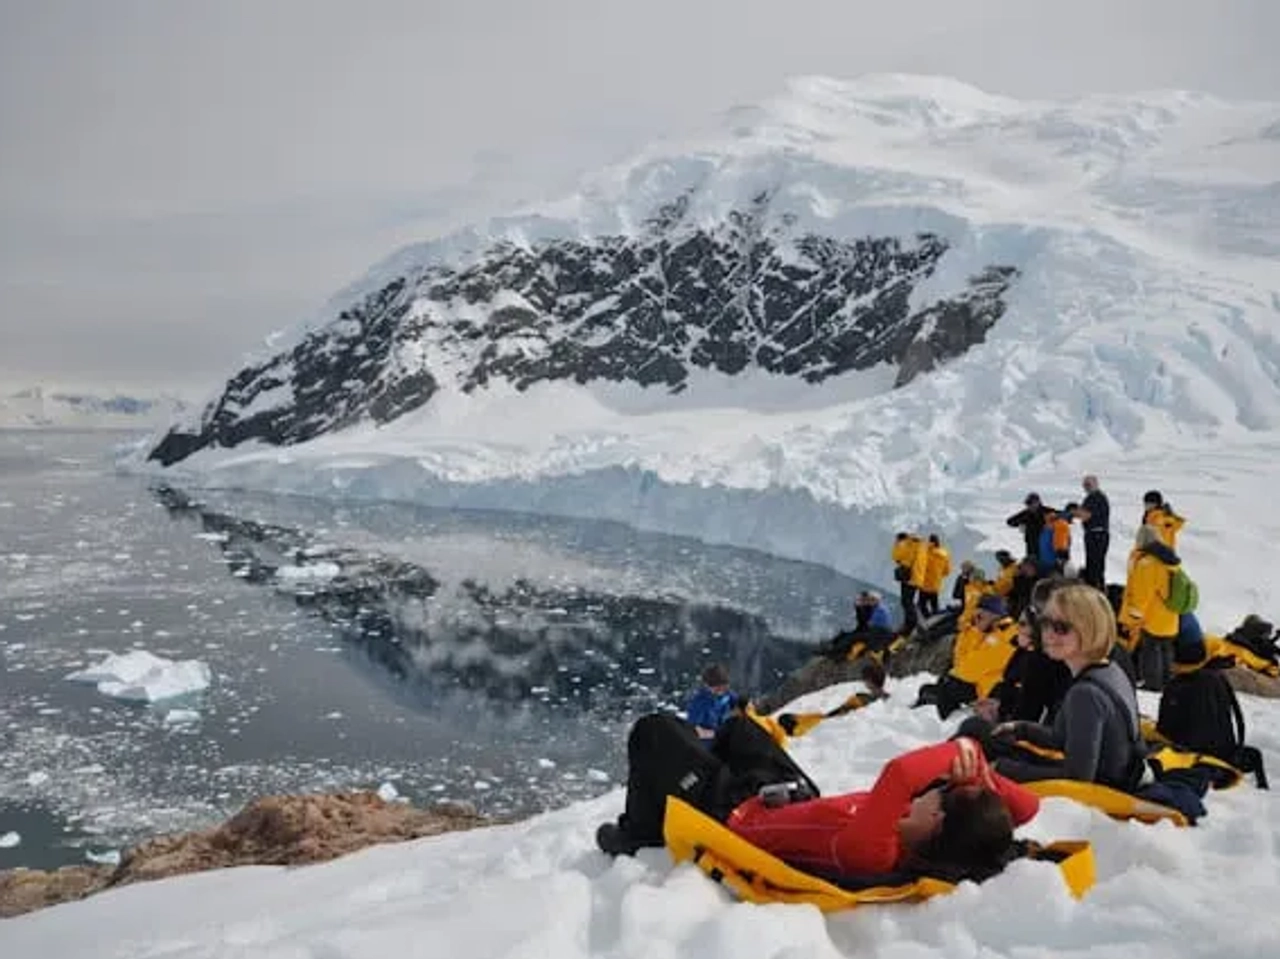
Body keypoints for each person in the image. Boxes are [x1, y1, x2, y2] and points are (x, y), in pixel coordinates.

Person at [597, 712, 1038, 884]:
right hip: (787, 794)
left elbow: (900, 773)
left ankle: (639, 831)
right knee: (740, 728)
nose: (936, 789)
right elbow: (1027, 809)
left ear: (937, 822)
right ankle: (686, 770)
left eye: (943, 794)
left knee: (654, 730)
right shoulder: (911, 823)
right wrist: (982, 777)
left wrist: (968, 752)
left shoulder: (873, 851)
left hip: (733, 810)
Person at [974, 584, 1144, 789]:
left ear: (1090, 629)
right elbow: (1065, 738)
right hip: (1115, 774)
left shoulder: (1085, 694)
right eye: (1044, 623)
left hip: (1105, 784)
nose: (1048, 635)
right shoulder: (1109, 669)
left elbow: (1077, 778)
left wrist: (1003, 769)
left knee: (974, 736)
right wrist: (1021, 729)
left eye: (1061, 627)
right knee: (979, 733)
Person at [1119, 524, 1183, 691]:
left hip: (1153, 617)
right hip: (1171, 616)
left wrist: (1134, 616)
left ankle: (1153, 684)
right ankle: (1167, 681)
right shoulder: (1170, 560)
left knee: (1150, 651)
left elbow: (1143, 593)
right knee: (1166, 649)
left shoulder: (1147, 563)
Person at [1075, 475, 1110, 589]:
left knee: (1095, 567)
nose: (1086, 488)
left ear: (1095, 484)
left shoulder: (1096, 497)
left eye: (1088, 485)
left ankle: (1096, 590)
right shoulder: (1093, 497)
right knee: (1094, 566)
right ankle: (1097, 589)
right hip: (1095, 534)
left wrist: (1074, 512)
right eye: (1084, 485)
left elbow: (1085, 515)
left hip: (1097, 535)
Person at [685, 664, 736, 741]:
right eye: (716, 686)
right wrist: (719, 734)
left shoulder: (729, 695)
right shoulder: (699, 702)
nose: (720, 689)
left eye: (723, 685)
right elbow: (693, 731)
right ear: (707, 685)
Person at [891, 533, 923, 636]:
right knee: (909, 600)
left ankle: (910, 624)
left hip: (908, 578)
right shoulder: (921, 546)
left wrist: (897, 544)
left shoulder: (906, 545)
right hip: (917, 578)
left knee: (906, 601)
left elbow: (896, 557)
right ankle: (910, 623)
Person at [1007, 493, 1052, 559]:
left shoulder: (1046, 511)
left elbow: (1062, 516)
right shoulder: (1026, 513)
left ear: (1038, 502)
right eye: (1028, 503)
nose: (1029, 505)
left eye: (1031, 503)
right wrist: (1021, 522)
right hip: (1031, 543)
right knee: (1032, 563)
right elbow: (1010, 521)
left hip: (1046, 543)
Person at [917, 534, 951, 618]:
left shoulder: (926, 552)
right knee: (934, 606)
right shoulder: (945, 554)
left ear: (930, 541)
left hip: (925, 584)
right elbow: (947, 571)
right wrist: (938, 575)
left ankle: (928, 619)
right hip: (936, 585)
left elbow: (920, 566)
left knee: (921, 605)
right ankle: (935, 621)